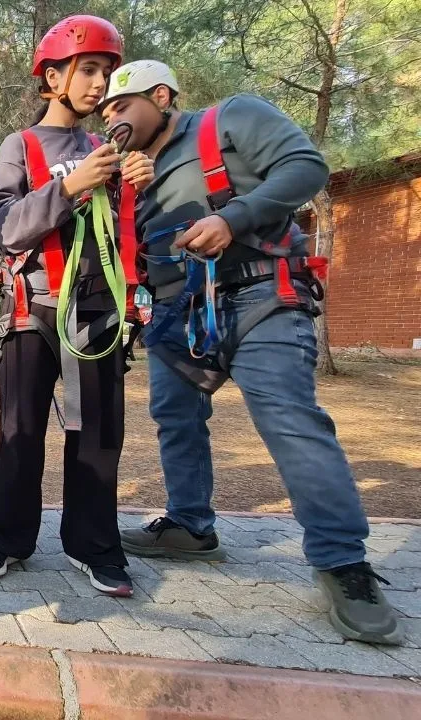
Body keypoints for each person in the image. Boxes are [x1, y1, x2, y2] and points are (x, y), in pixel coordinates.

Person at [99, 59, 403, 644]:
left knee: (291, 422)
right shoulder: (134, 171)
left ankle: (345, 565)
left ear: (160, 96)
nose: (110, 117)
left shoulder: (230, 117)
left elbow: (306, 167)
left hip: (261, 296)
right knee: (174, 421)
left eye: (121, 105)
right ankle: (190, 527)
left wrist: (232, 218)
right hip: (176, 317)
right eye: (105, 111)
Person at [0, 15, 154, 598]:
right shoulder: (20, 146)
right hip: (32, 309)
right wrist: (70, 187)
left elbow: (131, 238)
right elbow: (3, 225)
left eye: (107, 72)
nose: (101, 84)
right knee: (20, 430)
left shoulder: (110, 149)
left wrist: (137, 191)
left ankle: (95, 545)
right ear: (53, 76)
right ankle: (5, 536)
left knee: (96, 432)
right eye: (89, 70)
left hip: (98, 308)